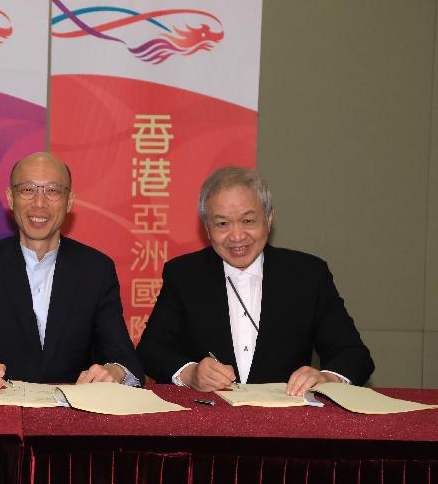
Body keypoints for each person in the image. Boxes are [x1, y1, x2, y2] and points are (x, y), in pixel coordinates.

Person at [136, 166, 374, 396]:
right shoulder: (185, 274)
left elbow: (354, 355)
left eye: (248, 221)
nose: (237, 236)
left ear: (269, 218)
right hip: (207, 415)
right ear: (207, 228)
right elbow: (151, 350)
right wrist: (190, 374)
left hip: (288, 417)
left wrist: (328, 378)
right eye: (222, 224)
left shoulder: (308, 274)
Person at [0, 152, 144, 395]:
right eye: (27, 190)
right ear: (11, 198)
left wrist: (115, 371)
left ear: (69, 201)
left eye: (53, 191)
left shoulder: (96, 269)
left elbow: (126, 360)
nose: (39, 203)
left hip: (74, 412)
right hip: (0, 409)